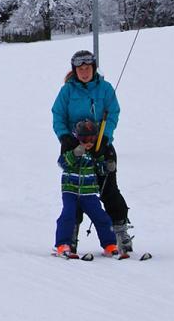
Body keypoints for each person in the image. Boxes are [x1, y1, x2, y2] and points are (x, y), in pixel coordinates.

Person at [50, 49, 132, 255]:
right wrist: (64, 137)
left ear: (93, 68)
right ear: (74, 70)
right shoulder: (67, 91)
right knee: (76, 192)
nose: (84, 72)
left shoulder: (105, 88)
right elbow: (57, 115)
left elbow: (113, 112)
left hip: (101, 143)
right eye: (80, 69)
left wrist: (106, 137)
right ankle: (70, 237)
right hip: (74, 144)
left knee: (109, 189)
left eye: (88, 68)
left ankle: (119, 233)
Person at [53, 119, 115, 259]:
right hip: (70, 191)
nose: (88, 142)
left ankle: (110, 245)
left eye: (92, 138)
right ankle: (62, 244)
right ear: (77, 137)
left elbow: (100, 170)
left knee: (101, 217)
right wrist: (74, 153)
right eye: (85, 138)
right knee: (68, 215)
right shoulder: (72, 149)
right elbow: (62, 163)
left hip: (89, 193)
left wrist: (107, 166)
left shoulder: (94, 153)